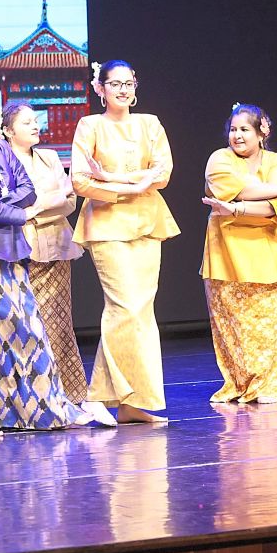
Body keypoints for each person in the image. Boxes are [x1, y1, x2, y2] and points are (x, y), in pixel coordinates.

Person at [0, 89, 99, 437]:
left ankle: (40, 411)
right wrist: (18, 211)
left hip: (12, 250)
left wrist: (7, 207)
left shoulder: (0, 149)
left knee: (28, 333)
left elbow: (25, 189)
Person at [71, 60, 180, 423]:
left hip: (148, 223)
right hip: (106, 224)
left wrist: (117, 179)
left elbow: (162, 172)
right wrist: (131, 185)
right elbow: (82, 181)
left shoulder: (149, 124)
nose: (122, 89)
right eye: (114, 83)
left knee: (140, 312)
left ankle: (130, 402)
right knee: (125, 307)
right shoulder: (91, 126)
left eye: (129, 83)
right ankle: (101, 396)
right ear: (99, 89)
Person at [200, 104, 277, 403]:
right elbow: (237, 189)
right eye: (233, 129)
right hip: (227, 253)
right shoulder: (219, 159)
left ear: (261, 132)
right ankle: (242, 383)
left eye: (244, 129)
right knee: (234, 324)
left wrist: (236, 208)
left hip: (270, 251)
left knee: (273, 324)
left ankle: (273, 384)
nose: (236, 135)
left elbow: (275, 209)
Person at [0, 101, 98, 411]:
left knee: (58, 322)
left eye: (35, 120)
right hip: (21, 250)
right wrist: (43, 205)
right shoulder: (1, 162)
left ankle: (67, 393)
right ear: (7, 130)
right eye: (26, 122)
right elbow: (8, 206)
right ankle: (28, 398)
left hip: (56, 245)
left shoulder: (51, 157)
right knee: (24, 325)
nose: (35, 125)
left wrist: (34, 210)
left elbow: (69, 201)